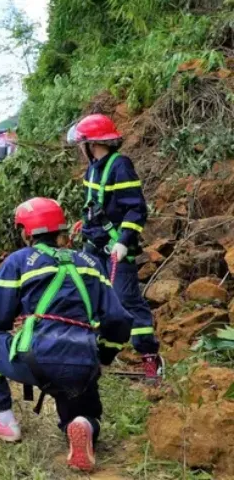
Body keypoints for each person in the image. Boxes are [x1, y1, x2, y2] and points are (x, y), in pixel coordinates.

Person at [0, 197, 133, 472]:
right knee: (84, 414)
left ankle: (5, 421)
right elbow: (119, 319)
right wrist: (104, 357)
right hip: (83, 363)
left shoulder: (19, 261)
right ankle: (83, 425)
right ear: (61, 230)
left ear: (26, 231)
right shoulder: (90, 262)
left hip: (37, 361)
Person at [69, 113, 163, 379]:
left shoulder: (120, 166)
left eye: (82, 144)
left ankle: (149, 357)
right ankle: (97, 355)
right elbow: (97, 204)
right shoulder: (93, 168)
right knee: (91, 299)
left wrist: (123, 242)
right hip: (93, 248)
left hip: (115, 250)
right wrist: (84, 224)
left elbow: (135, 209)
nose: (80, 149)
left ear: (92, 143)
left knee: (126, 301)